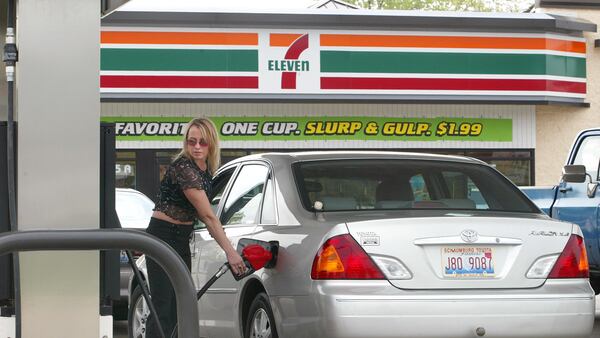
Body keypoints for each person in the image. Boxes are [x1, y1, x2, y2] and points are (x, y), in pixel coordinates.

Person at [145, 117, 245, 338]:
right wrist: (230, 252)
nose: (197, 147)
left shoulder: (205, 170)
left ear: (211, 143)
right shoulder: (184, 168)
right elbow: (208, 216)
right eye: (192, 142)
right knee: (163, 307)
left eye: (202, 142)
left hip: (180, 239)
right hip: (162, 236)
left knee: (180, 304)